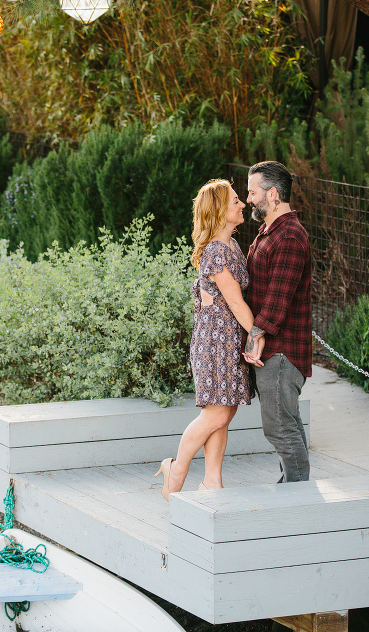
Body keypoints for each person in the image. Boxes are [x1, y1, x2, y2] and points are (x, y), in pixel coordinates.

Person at [156, 179, 255, 500]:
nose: (243, 205)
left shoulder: (233, 247)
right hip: (214, 343)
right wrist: (256, 336)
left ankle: (213, 481)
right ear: (218, 211)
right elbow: (236, 302)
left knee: (224, 410)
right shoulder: (215, 252)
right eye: (236, 201)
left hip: (228, 340)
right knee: (217, 413)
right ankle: (177, 467)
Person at [242, 161, 312, 482]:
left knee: (280, 429)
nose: (248, 199)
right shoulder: (270, 231)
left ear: (272, 194)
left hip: (281, 355)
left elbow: (276, 301)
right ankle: (294, 490)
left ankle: (298, 500)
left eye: (252, 192)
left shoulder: (289, 236)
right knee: (288, 426)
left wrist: (255, 338)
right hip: (274, 354)